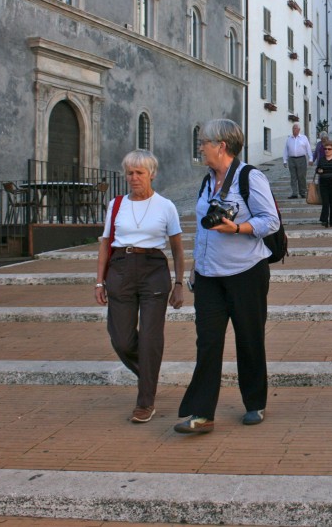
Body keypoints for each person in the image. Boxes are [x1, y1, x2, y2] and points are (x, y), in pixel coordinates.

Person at [175, 119, 280, 435]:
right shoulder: (207, 181)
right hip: (209, 275)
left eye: (204, 142)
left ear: (221, 146)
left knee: (249, 339)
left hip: (245, 272)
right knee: (207, 342)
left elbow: (270, 220)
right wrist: (196, 266)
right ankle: (201, 413)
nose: (200, 147)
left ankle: (255, 403)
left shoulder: (250, 177)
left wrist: (237, 228)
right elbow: (203, 231)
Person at [95, 150, 185, 424]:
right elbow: (105, 243)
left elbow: (177, 249)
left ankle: (145, 401)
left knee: (150, 337)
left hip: (153, 270)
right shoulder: (116, 204)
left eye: (139, 173)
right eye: (130, 173)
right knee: (121, 339)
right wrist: (99, 280)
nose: (133, 178)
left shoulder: (166, 206)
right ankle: (149, 375)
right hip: (120, 269)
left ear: (152, 174)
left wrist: (179, 283)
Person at [282, 122, 313, 199]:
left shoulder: (304, 138)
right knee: (293, 177)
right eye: (293, 128)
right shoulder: (289, 139)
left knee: (301, 176)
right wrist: (285, 160)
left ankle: (302, 192)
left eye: (295, 128)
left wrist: (310, 158)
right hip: (291, 159)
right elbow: (286, 150)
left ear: (299, 130)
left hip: (301, 159)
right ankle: (294, 193)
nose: (294, 130)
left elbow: (308, 148)